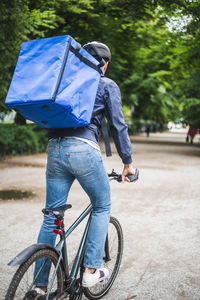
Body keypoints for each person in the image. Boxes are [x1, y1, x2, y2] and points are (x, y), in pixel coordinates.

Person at [33, 41, 134, 295]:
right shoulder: (106, 84)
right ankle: (90, 271)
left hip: (54, 148)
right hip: (83, 149)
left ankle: (40, 285)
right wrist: (128, 163)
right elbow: (118, 126)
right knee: (102, 205)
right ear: (105, 64)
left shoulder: (66, 82)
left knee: (51, 216)